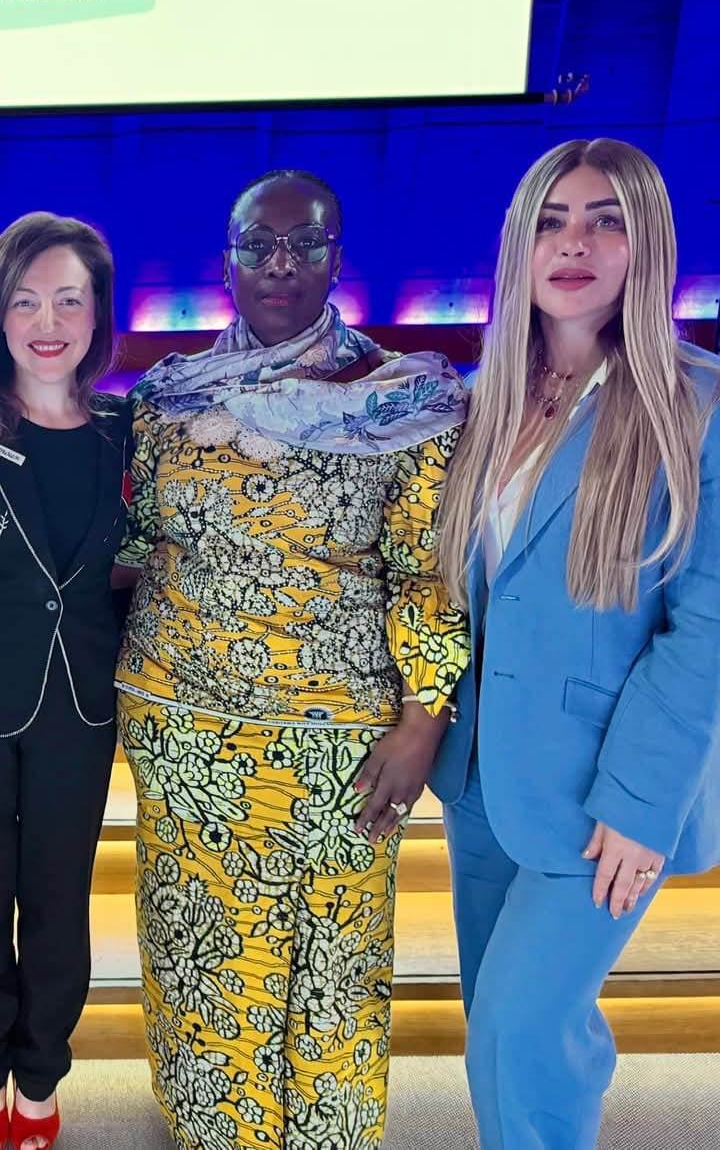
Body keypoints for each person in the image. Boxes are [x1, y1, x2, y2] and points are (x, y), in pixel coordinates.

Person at [113, 169, 468, 1150]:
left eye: (304, 243)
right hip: (183, 728)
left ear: (335, 259)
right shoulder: (166, 400)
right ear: (225, 262)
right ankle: (211, 1130)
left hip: (341, 740)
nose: (280, 263)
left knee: (334, 958)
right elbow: (133, 545)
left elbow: (428, 573)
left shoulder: (403, 400)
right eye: (257, 245)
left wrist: (423, 721)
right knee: (199, 944)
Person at [433, 136, 720, 1150]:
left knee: (522, 1030)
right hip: (482, 777)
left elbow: (706, 628)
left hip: (603, 797)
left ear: (648, 245)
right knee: (507, 1027)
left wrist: (642, 803)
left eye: (606, 221)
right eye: (551, 221)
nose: (575, 243)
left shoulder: (699, 405)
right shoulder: (484, 398)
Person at [0, 213, 131, 1150]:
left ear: (96, 314)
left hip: (78, 710)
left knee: (57, 903)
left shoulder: (127, 435)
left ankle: (39, 1081)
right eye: (25, 300)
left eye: (69, 300)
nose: (48, 322)